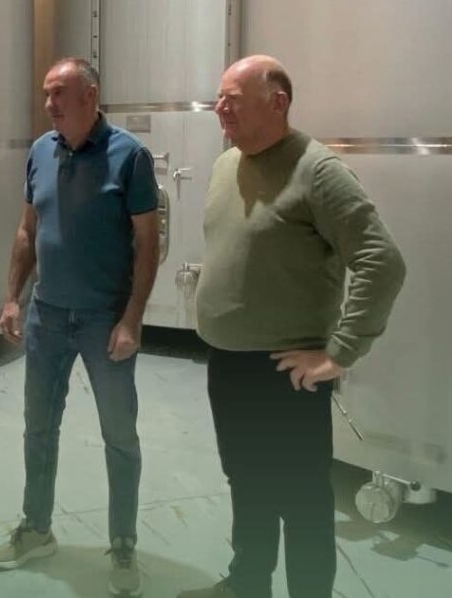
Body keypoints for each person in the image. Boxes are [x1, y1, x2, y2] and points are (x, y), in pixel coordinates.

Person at [180, 55, 406, 598]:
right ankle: (248, 582)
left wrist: (340, 352)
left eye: (233, 99)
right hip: (227, 362)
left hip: (285, 373)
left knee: (301, 500)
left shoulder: (317, 170)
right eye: (219, 98)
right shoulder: (226, 164)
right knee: (245, 480)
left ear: (277, 102)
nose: (220, 108)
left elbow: (381, 260)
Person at [0, 57, 160, 598]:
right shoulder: (41, 151)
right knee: (38, 428)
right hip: (47, 315)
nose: (49, 104)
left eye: (59, 93)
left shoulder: (129, 155)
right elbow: (27, 229)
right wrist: (12, 298)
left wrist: (132, 318)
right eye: (46, 94)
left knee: (119, 435)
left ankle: (123, 542)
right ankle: (37, 528)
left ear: (90, 94)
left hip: (105, 320)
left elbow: (148, 242)